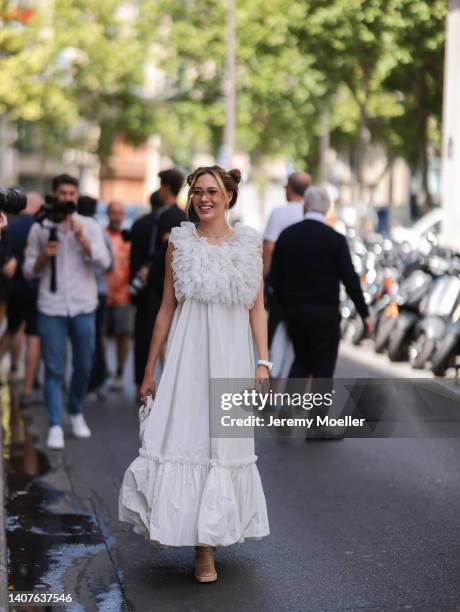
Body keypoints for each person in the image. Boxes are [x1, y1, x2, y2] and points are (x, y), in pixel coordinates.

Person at [119, 165, 270, 583]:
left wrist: (263, 361)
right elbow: (165, 308)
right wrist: (149, 369)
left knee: (222, 446)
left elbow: (257, 308)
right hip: (186, 356)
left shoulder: (248, 243)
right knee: (186, 438)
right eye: (198, 192)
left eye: (212, 191)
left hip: (234, 358)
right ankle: (194, 540)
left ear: (228, 197)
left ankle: (208, 546)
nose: (204, 198)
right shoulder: (179, 242)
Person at [23, 174, 111, 450]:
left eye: (72, 193)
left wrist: (83, 239)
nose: (68, 198)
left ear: (76, 196)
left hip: (84, 306)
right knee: (54, 368)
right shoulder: (40, 227)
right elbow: (28, 271)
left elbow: (105, 262)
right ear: (54, 194)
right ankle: (55, 425)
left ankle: (74, 410)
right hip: (51, 306)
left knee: (84, 364)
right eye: (63, 193)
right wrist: (43, 256)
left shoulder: (88, 225)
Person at [270, 185, 373, 381]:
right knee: (323, 372)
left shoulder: (287, 235)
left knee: (301, 361)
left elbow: (275, 278)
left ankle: (288, 408)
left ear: (305, 206)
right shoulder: (336, 240)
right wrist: (365, 314)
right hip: (325, 315)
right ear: (326, 209)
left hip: (295, 313)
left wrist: (284, 308)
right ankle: (316, 412)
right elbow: (350, 280)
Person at [130, 170, 186, 390]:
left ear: (166, 187)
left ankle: (160, 383)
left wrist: (147, 270)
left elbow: (164, 251)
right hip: (160, 284)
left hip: (160, 285)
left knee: (158, 334)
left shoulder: (170, 217)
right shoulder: (174, 216)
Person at [0, 192, 43, 402]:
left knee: (11, 328)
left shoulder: (10, 224)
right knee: (33, 335)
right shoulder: (40, 226)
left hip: (14, 287)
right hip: (35, 287)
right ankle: (28, 388)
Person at [263, 172, 311, 346]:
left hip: (281, 284)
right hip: (305, 286)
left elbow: (269, 247)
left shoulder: (279, 213)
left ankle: (267, 368)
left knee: (273, 333)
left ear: (289, 189)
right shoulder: (311, 213)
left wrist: (261, 277)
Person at [104, 200, 133, 391]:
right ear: (108, 214)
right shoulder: (101, 235)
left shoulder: (129, 237)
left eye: (120, 213)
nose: (117, 216)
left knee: (123, 335)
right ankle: (103, 370)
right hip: (103, 294)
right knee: (102, 335)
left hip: (124, 295)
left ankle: (120, 372)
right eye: (113, 212)